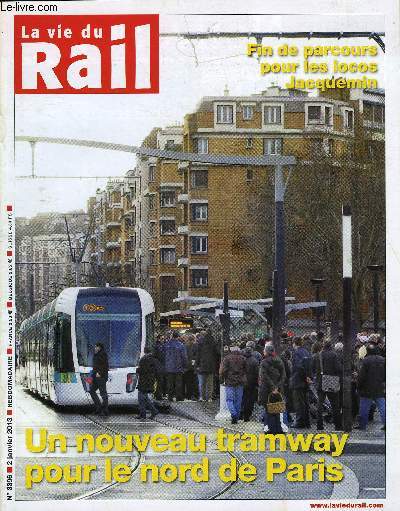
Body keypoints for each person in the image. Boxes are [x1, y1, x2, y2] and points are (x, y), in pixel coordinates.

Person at [312, 340, 343, 430]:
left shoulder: (317, 355)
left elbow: (312, 369)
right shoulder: (334, 355)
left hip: (320, 381)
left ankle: (319, 425)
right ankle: (337, 425)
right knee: (335, 404)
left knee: (320, 404)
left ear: (323, 346)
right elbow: (338, 368)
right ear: (331, 346)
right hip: (331, 380)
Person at [356, 343, 386, 430]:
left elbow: (362, 376)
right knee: (382, 407)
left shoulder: (366, 360)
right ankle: (386, 424)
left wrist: (358, 386)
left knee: (364, 408)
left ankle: (362, 425)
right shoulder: (383, 360)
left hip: (366, 388)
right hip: (379, 387)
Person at [258, 344, 287, 433]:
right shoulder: (280, 361)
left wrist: (272, 387)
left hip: (267, 390)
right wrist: (277, 387)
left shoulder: (264, 362)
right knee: (277, 409)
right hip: (278, 390)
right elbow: (283, 376)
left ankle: (270, 430)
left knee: (268, 410)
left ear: (266, 352)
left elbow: (264, 377)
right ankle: (278, 429)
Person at [219, 345, 247, 424]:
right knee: (238, 400)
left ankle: (233, 414)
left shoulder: (227, 358)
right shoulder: (243, 358)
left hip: (229, 381)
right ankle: (236, 417)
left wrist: (221, 380)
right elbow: (246, 370)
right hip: (240, 382)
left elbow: (222, 371)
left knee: (229, 400)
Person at [290, 337, 312, 428]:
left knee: (299, 402)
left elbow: (298, 367)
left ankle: (299, 422)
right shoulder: (306, 351)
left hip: (298, 380)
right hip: (306, 381)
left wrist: (304, 377)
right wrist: (308, 377)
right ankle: (307, 422)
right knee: (306, 402)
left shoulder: (296, 353)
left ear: (294, 343)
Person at [136, 346, 162, 419]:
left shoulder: (144, 359)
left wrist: (137, 370)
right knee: (144, 397)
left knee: (141, 397)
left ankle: (147, 412)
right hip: (150, 380)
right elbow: (156, 370)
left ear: (144, 352)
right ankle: (147, 412)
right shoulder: (154, 359)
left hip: (144, 380)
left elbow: (143, 370)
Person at [164, 331, 188, 401]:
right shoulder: (181, 345)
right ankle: (178, 397)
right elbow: (184, 357)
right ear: (178, 337)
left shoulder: (167, 344)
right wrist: (185, 366)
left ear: (172, 336)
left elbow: (163, 355)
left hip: (168, 367)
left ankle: (170, 397)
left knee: (170, 383)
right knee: (178, 383)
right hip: (178, 367)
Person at [196, 330, 219, 401]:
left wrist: (197, 364)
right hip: (211, 365)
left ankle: (201, 397)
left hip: (202, 364)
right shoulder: (214, 342)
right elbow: (217, 353)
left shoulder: (200, 342)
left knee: (202, 383)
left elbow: (198, 354)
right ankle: (209, 397)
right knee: (210, 383)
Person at [89, 342, 109, 417]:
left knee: (103, 393)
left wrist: (99, 373)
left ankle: (105, 410)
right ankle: (99, 407)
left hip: (101, 377)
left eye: (96, 347)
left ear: (99, 347)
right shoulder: (97, 354)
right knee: (91, 391)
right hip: (95, 377)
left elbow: (105, 366)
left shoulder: (102, 354)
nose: (95, 348)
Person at [241, 343, 260, 421]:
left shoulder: (241, 359)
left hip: (242, 382)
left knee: (242, 398)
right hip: (252, 383)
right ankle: (247, 415)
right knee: (250, 399)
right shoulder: (254, 361)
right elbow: (257, 373)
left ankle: (241, 413)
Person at [183, 334, 199, 400]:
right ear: (193, 339)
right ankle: (194, 395)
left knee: (187, 382)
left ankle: (188, 395)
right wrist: (194, 363)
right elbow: (196, 356)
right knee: (194, 381)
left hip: (186, 366)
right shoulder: (196, 346)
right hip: (193, 366)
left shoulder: (185, 346)